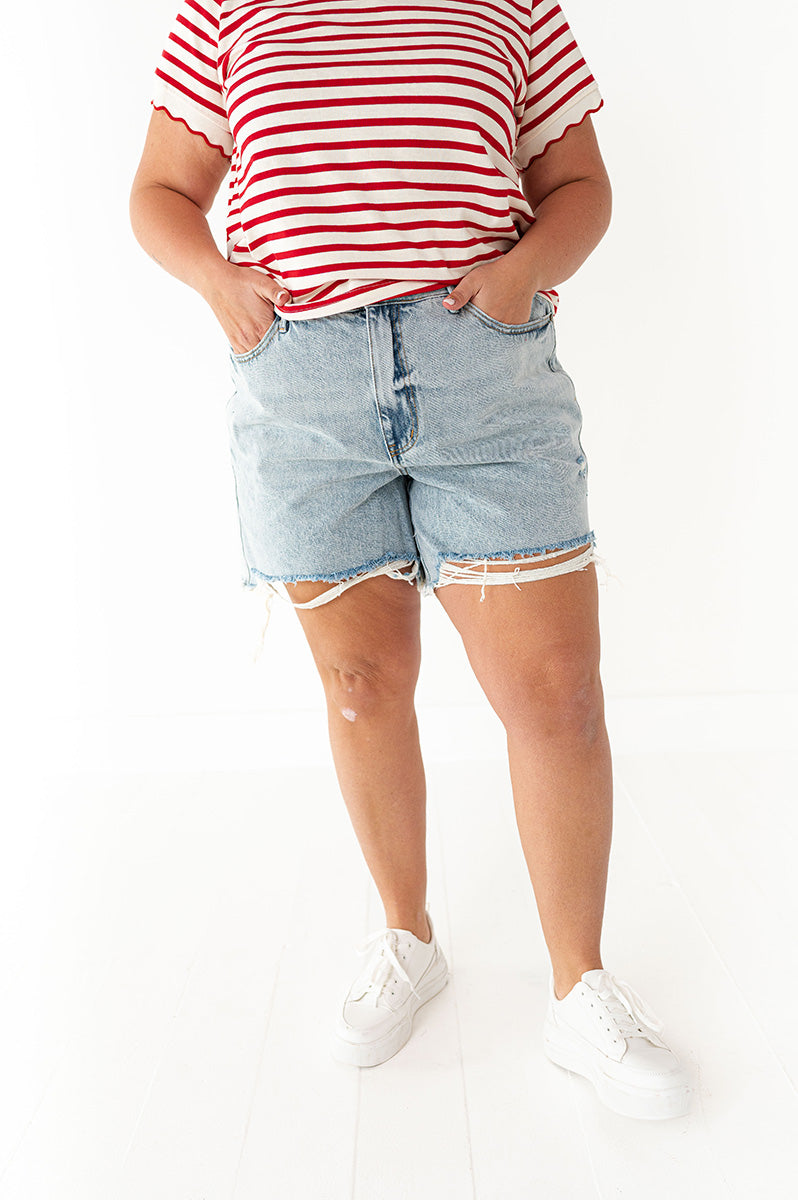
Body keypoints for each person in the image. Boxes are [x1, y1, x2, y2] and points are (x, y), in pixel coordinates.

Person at [130, 0, 691, 1120]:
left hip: (483, 374)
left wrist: (518, 277)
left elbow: (581, 186)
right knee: (362, 683)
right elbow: (159, 193)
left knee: (556, 693)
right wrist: (220, 284)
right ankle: (407, 934)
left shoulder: (511, 7)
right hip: (301, 389)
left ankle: (580, 988)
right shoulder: (225, 12)